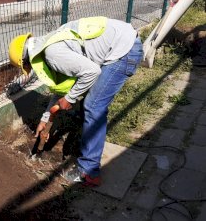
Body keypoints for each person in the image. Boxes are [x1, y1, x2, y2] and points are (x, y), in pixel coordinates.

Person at [8, 16, 143, 187]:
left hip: (124, 52)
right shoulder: (50, 43)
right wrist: (45, 118)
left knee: (93, 107)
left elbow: (92, 72)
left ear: (27, 60)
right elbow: (63, 88)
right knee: (91, 103)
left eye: (28, 66)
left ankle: (89, 172)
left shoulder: (53, 54)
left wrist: (70, 99)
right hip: (123, 43)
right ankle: (88, 138)